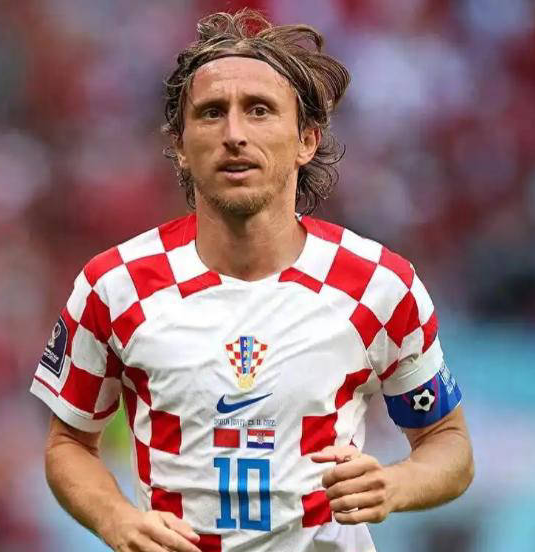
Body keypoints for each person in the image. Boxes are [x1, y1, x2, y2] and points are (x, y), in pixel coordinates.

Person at [30, 10, 473, 552]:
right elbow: (69, 443)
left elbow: (448, 442)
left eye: (259, 110)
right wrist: (116, 519)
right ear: (180, 146)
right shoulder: (115, 285)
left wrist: (396, 485)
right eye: (212, 113)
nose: (234, 134)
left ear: (306, 139)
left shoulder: (379, 284)